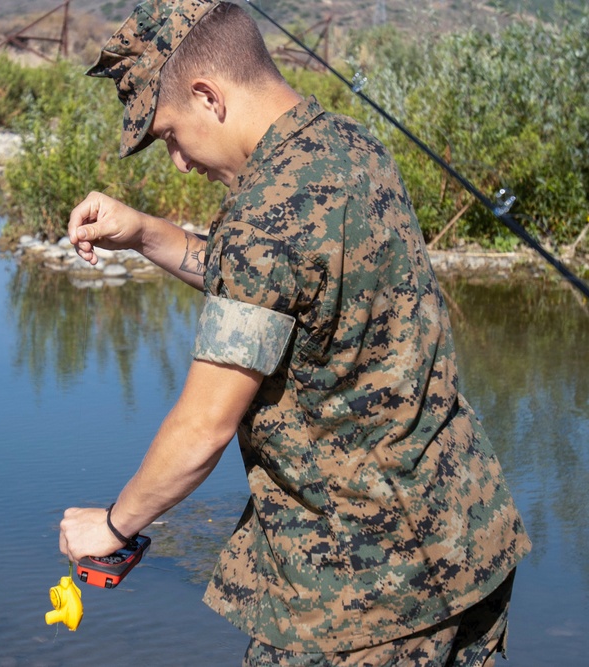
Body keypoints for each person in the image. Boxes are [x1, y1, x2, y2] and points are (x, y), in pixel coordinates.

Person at [56, 1, 531, 665]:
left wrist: (112, 524)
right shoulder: (351, 147)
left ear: (207, 96)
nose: (179, 163)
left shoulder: (265, 220)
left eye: (169, 136)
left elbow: (202, 431)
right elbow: (271, 288)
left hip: (365, 600)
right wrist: (143, 233)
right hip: (469, 548)